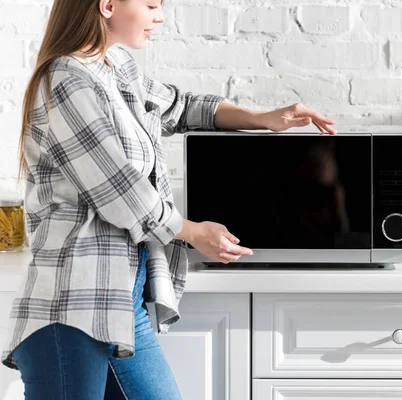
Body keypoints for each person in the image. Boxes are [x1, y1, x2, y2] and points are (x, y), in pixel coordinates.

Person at [0, 0, 337, 398]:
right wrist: (192, 232)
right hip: (73, 306)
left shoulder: (115, 67)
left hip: (123, 302)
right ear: (107, 5)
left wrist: (263, 118)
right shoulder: (65, 79)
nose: (159, 17)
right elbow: (119, 189)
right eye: (151, 5)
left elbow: (181, 107)